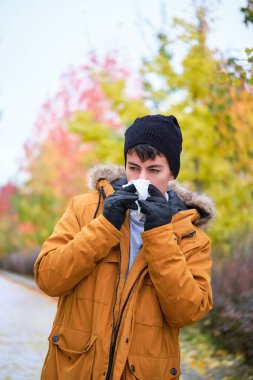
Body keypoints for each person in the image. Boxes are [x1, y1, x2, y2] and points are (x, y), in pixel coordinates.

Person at [34, 114, 215, 380]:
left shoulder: (191, 237)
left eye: (154, 170)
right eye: (133, 168)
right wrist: (105, 226)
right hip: (75, 368)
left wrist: (161, 234)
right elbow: (48, 279)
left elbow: (187, 312)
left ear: (172, 173)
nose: (141, 179)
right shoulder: (84, 210)